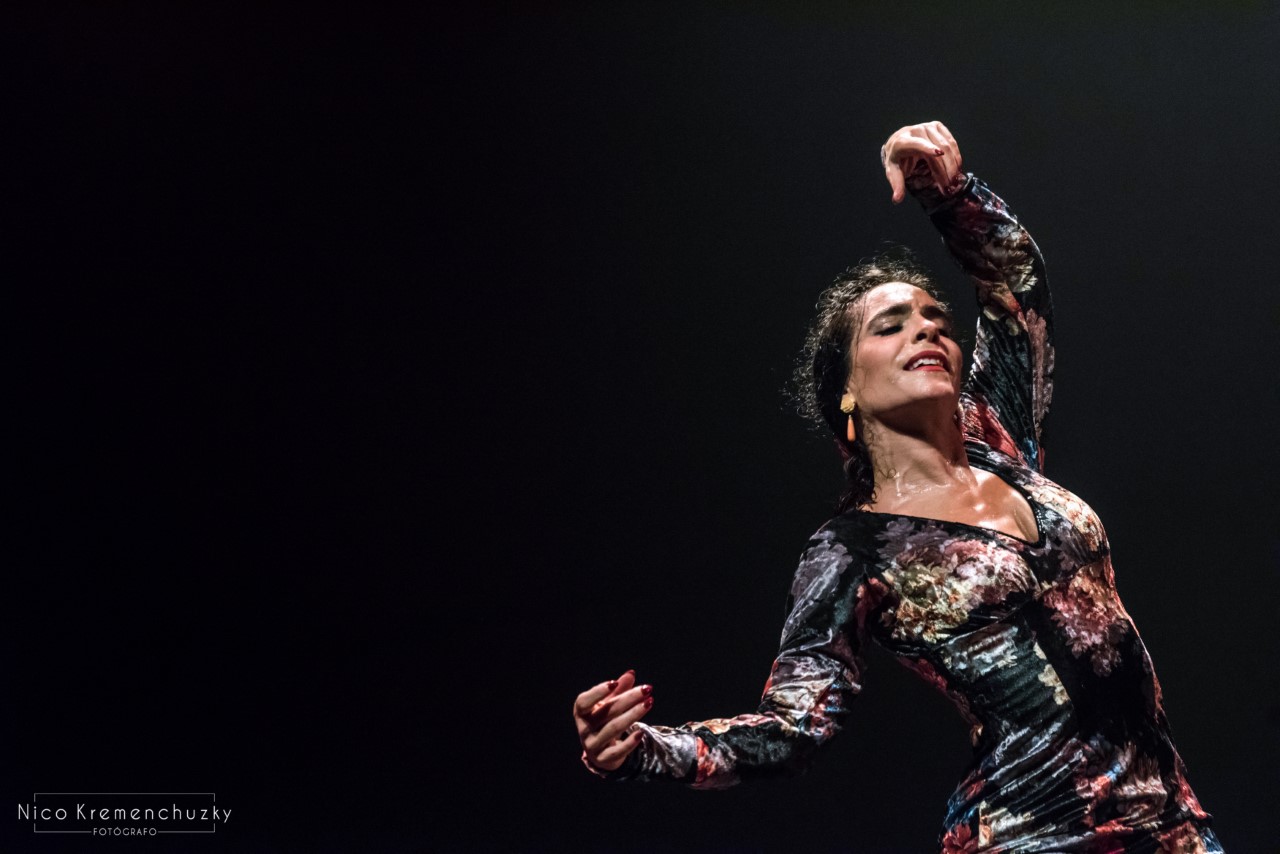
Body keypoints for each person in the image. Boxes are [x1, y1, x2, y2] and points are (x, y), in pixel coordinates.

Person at [571, 121, 1222, 852]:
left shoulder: (999, 435)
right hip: (1033, 833)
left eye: (936, 318)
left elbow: (1016, 288)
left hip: (1172, 823)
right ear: (847, 390)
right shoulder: (854, 548)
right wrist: (645, 751)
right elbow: (793, 728)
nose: (927, 330)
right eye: (891, 326)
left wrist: (950, 194)